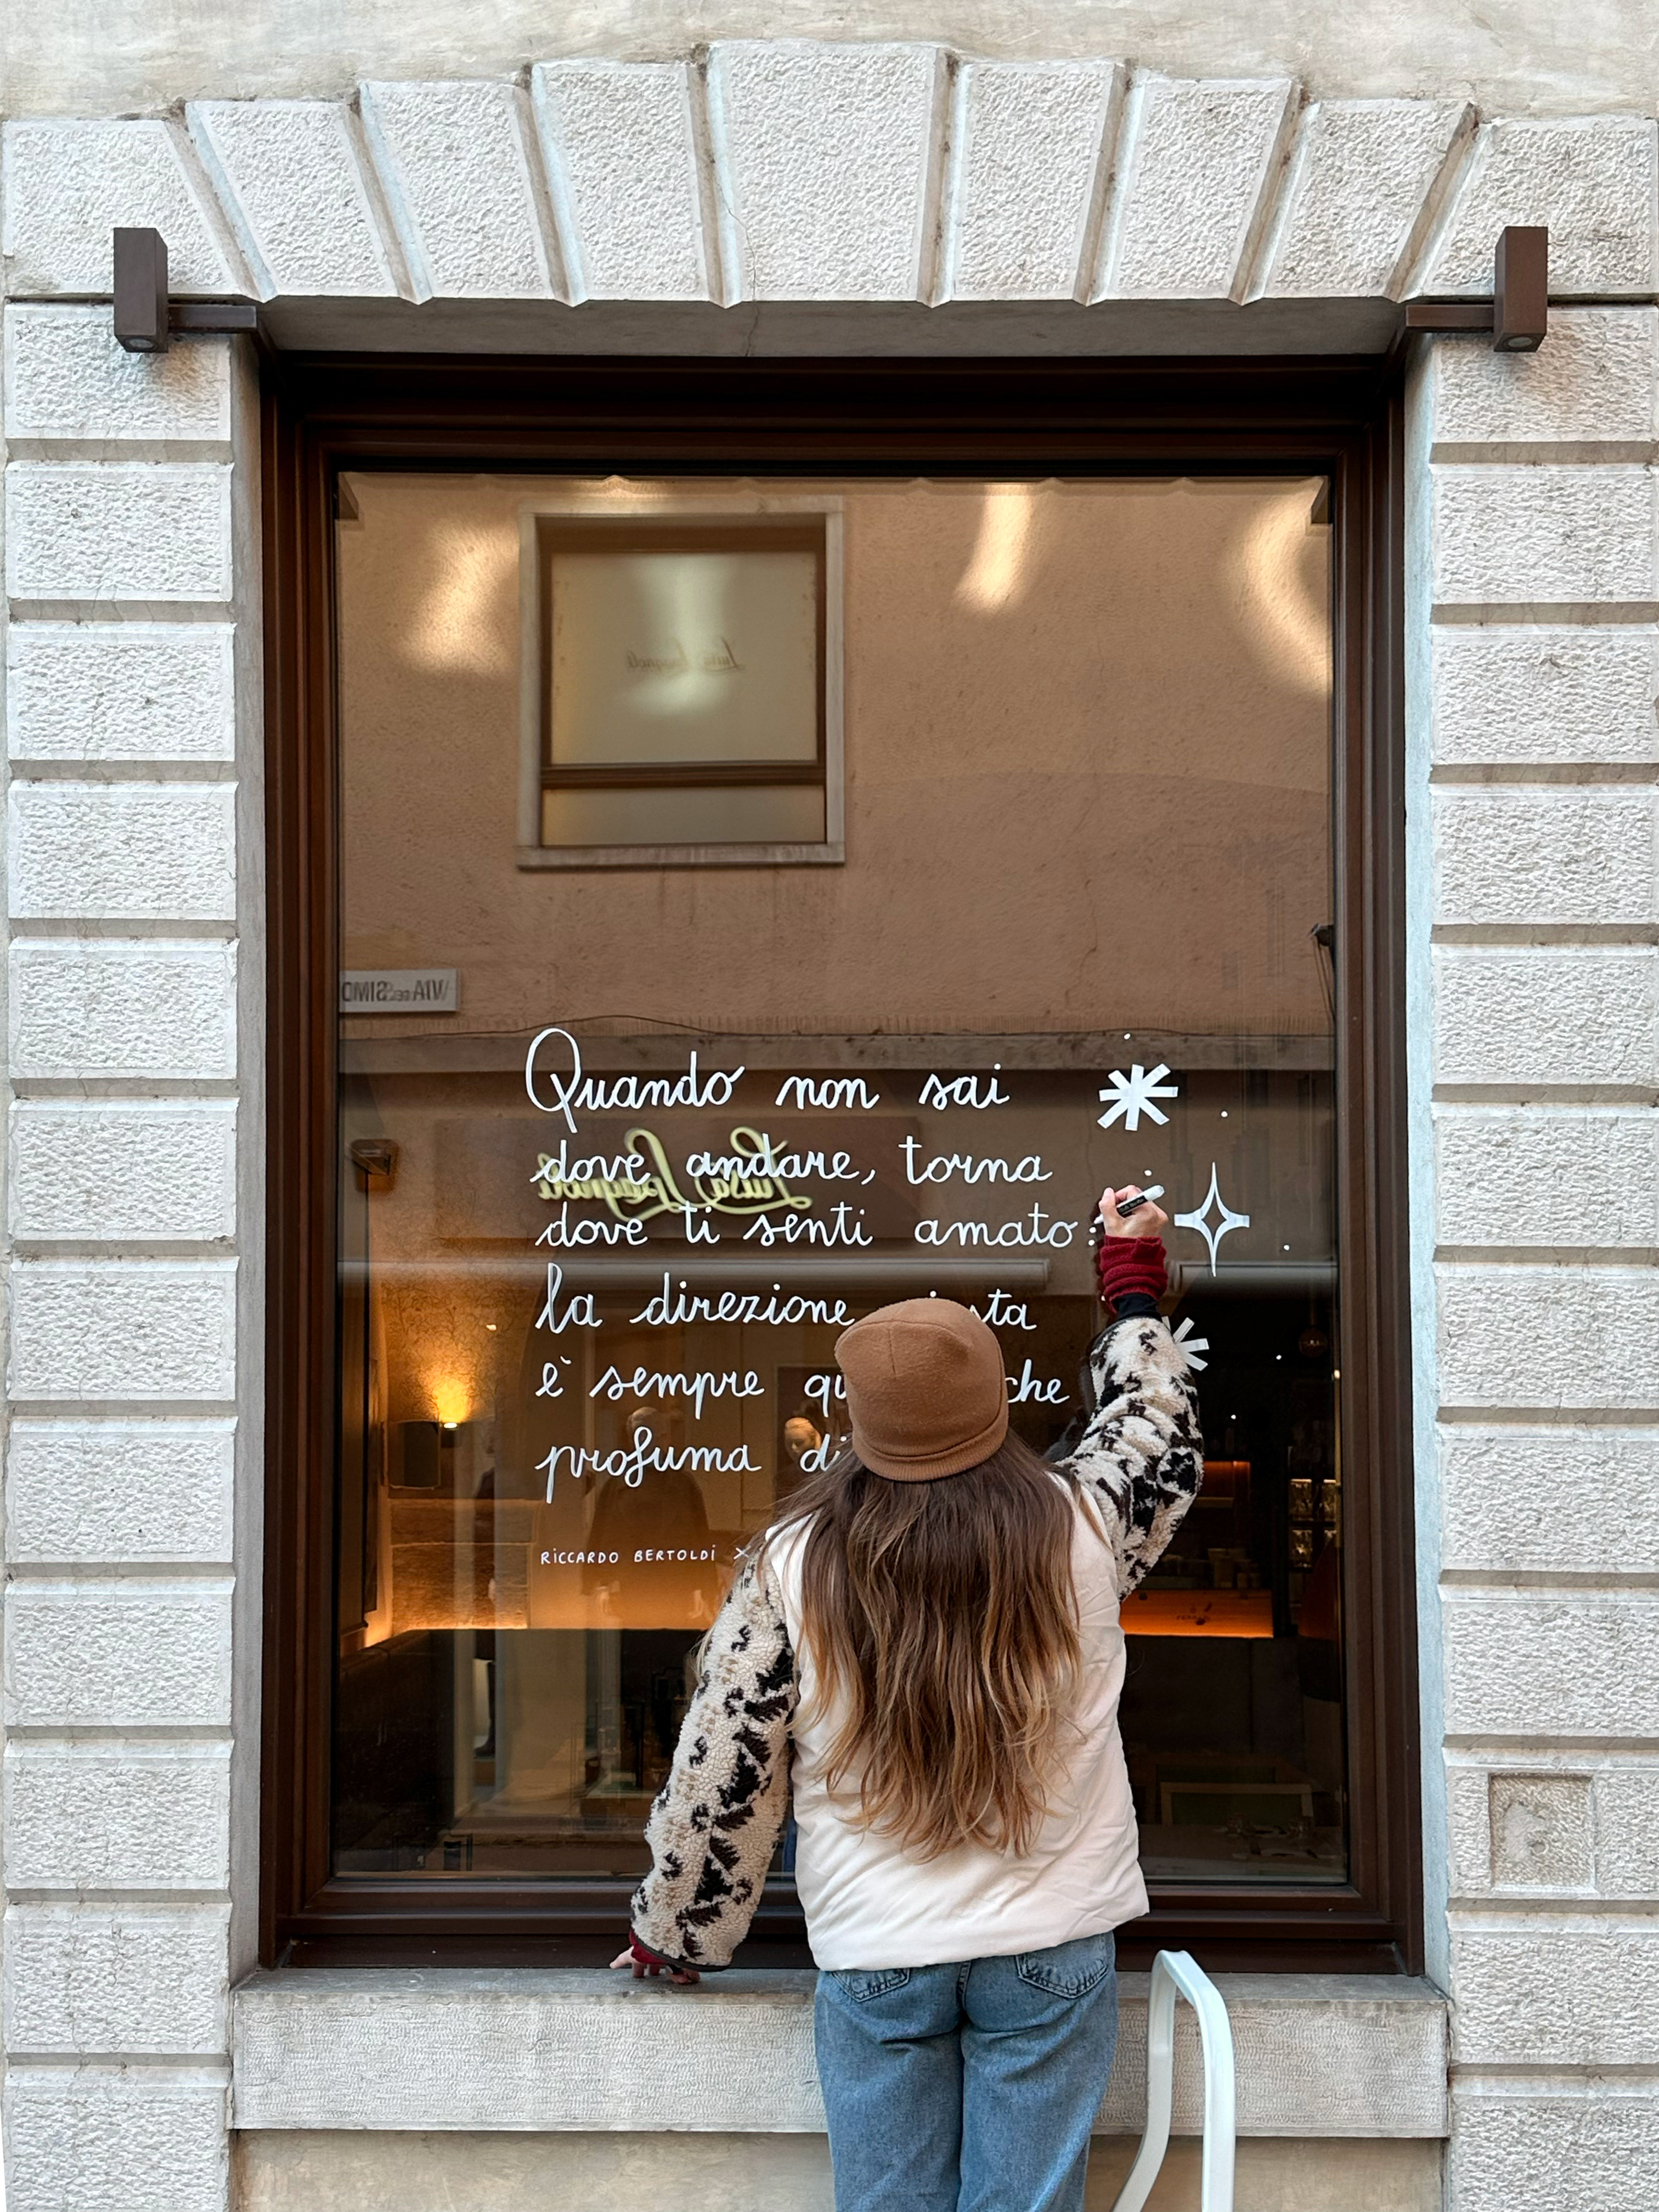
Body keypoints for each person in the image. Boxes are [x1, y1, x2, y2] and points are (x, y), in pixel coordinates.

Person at [609, 1184, 1203, 2212]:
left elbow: (725, 1761)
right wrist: (1131, 1284)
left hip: (878, 1953)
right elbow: (1154, 1425)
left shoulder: (790, 1561)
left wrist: (679, 1929)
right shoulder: (1087, 1524)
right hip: (1050, 1948)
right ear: (995, 1402)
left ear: (858, 1422)